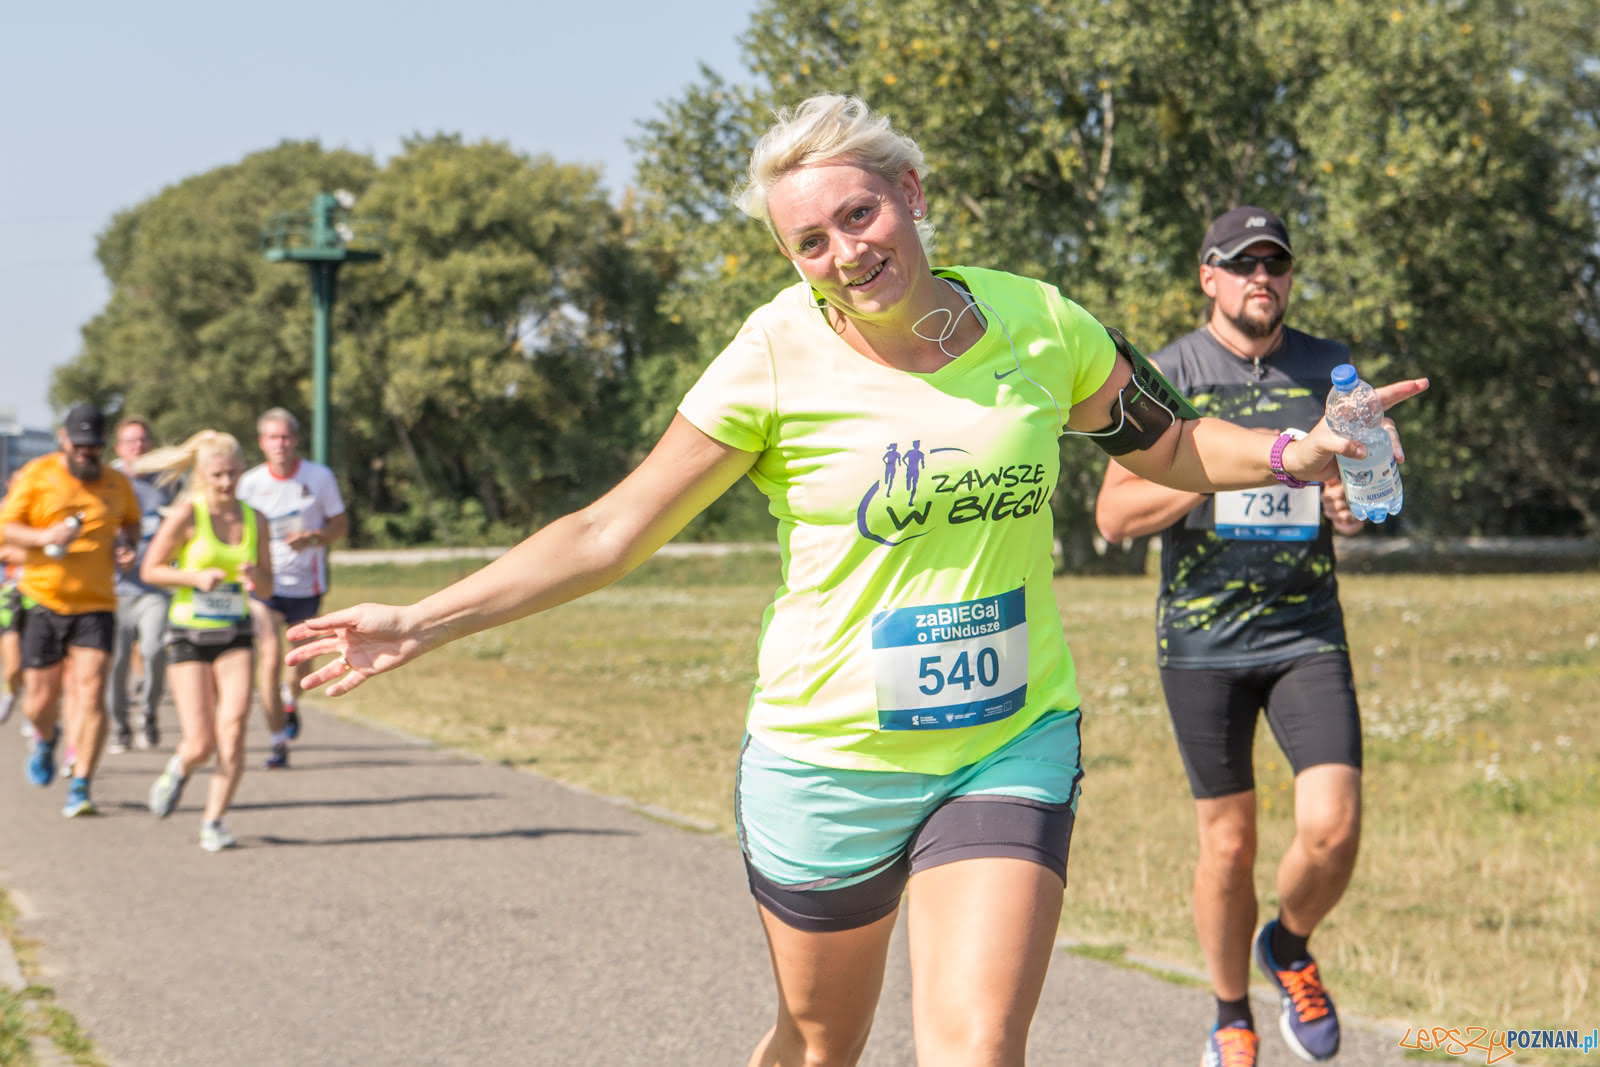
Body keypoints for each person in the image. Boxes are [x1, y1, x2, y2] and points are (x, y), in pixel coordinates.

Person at [285, 97, 1426, 1066]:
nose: (844, 253)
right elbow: (610, 529)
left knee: (975, 1049)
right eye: (811, 241)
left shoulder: (1035, 323)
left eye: (859, 214)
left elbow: (1165, 446)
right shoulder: (774, 355)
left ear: (912, 193)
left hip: (1006, 735)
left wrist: (1296, 450)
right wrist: (421, 618)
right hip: (828, 758)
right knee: (820, 1043)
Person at [1095, 206, 1381, 1067]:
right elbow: (1113, 514)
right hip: (1202, 641)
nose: (1263, 277)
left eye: (1276, 263)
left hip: (1306, 631)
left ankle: (1288, 946)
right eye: (1242, 263)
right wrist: (1212, 467)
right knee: (1229, 845)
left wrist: (1350, 505)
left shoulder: (1332, 371)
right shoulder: (1167, 373)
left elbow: (1372, 495)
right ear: (1208, 277)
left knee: (1332, 828)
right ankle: (1230, 1012)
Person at [0, 403, 142, 817]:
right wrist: (45, 535)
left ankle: (81, 783)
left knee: (92, 689)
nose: (85, 454)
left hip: (96, 604)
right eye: (78, 445)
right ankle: (46, 738)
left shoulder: (117, 483)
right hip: (43, 600)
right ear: (64, 440)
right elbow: (5, 527)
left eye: (93, 447)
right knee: (39, 702)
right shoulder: (37, 475)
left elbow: (131, 522)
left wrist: (127, 546)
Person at [137, 431, 272, 851]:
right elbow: (150, 570)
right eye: (217, 475)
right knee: (201, 742)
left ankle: (214, 821)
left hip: (234, 634)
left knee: (233, 731)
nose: (226, 483)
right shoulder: (186, 515)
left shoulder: (255, 519)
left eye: (233, 473)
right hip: (189, 634)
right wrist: (193, 577)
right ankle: (179, 768)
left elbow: (267, 587)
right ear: (201, 474)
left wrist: (254, 577)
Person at [237, 407, 346, 768]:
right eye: (272, 437)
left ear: (295, 440)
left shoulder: (319, 477)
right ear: (261, 443)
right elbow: (235, 529)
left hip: (307, 585)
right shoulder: (250, 483)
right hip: (265, 586)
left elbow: (340, 525)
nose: (280, 444)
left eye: (285, 437)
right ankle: (277, 739)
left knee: (300, 661)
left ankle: (290, 698)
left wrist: (315, 537)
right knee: (268, 658)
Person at [106, 416, 175, 753]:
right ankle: (120, 727)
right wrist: (115, 555)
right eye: (131, 442)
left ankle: (148, 711)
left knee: (154, 650)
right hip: (114, 589)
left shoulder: (169, 481)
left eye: (144, 441)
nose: (139, 447)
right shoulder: (108, 482)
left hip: (154, 588)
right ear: (120, 449)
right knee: (116, 663)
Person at [1, 540, 23, 725]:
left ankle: (35, 716)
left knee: (38, 661)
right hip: (9, 595)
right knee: (14, 664)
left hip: (44, 594)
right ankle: (11, 691)